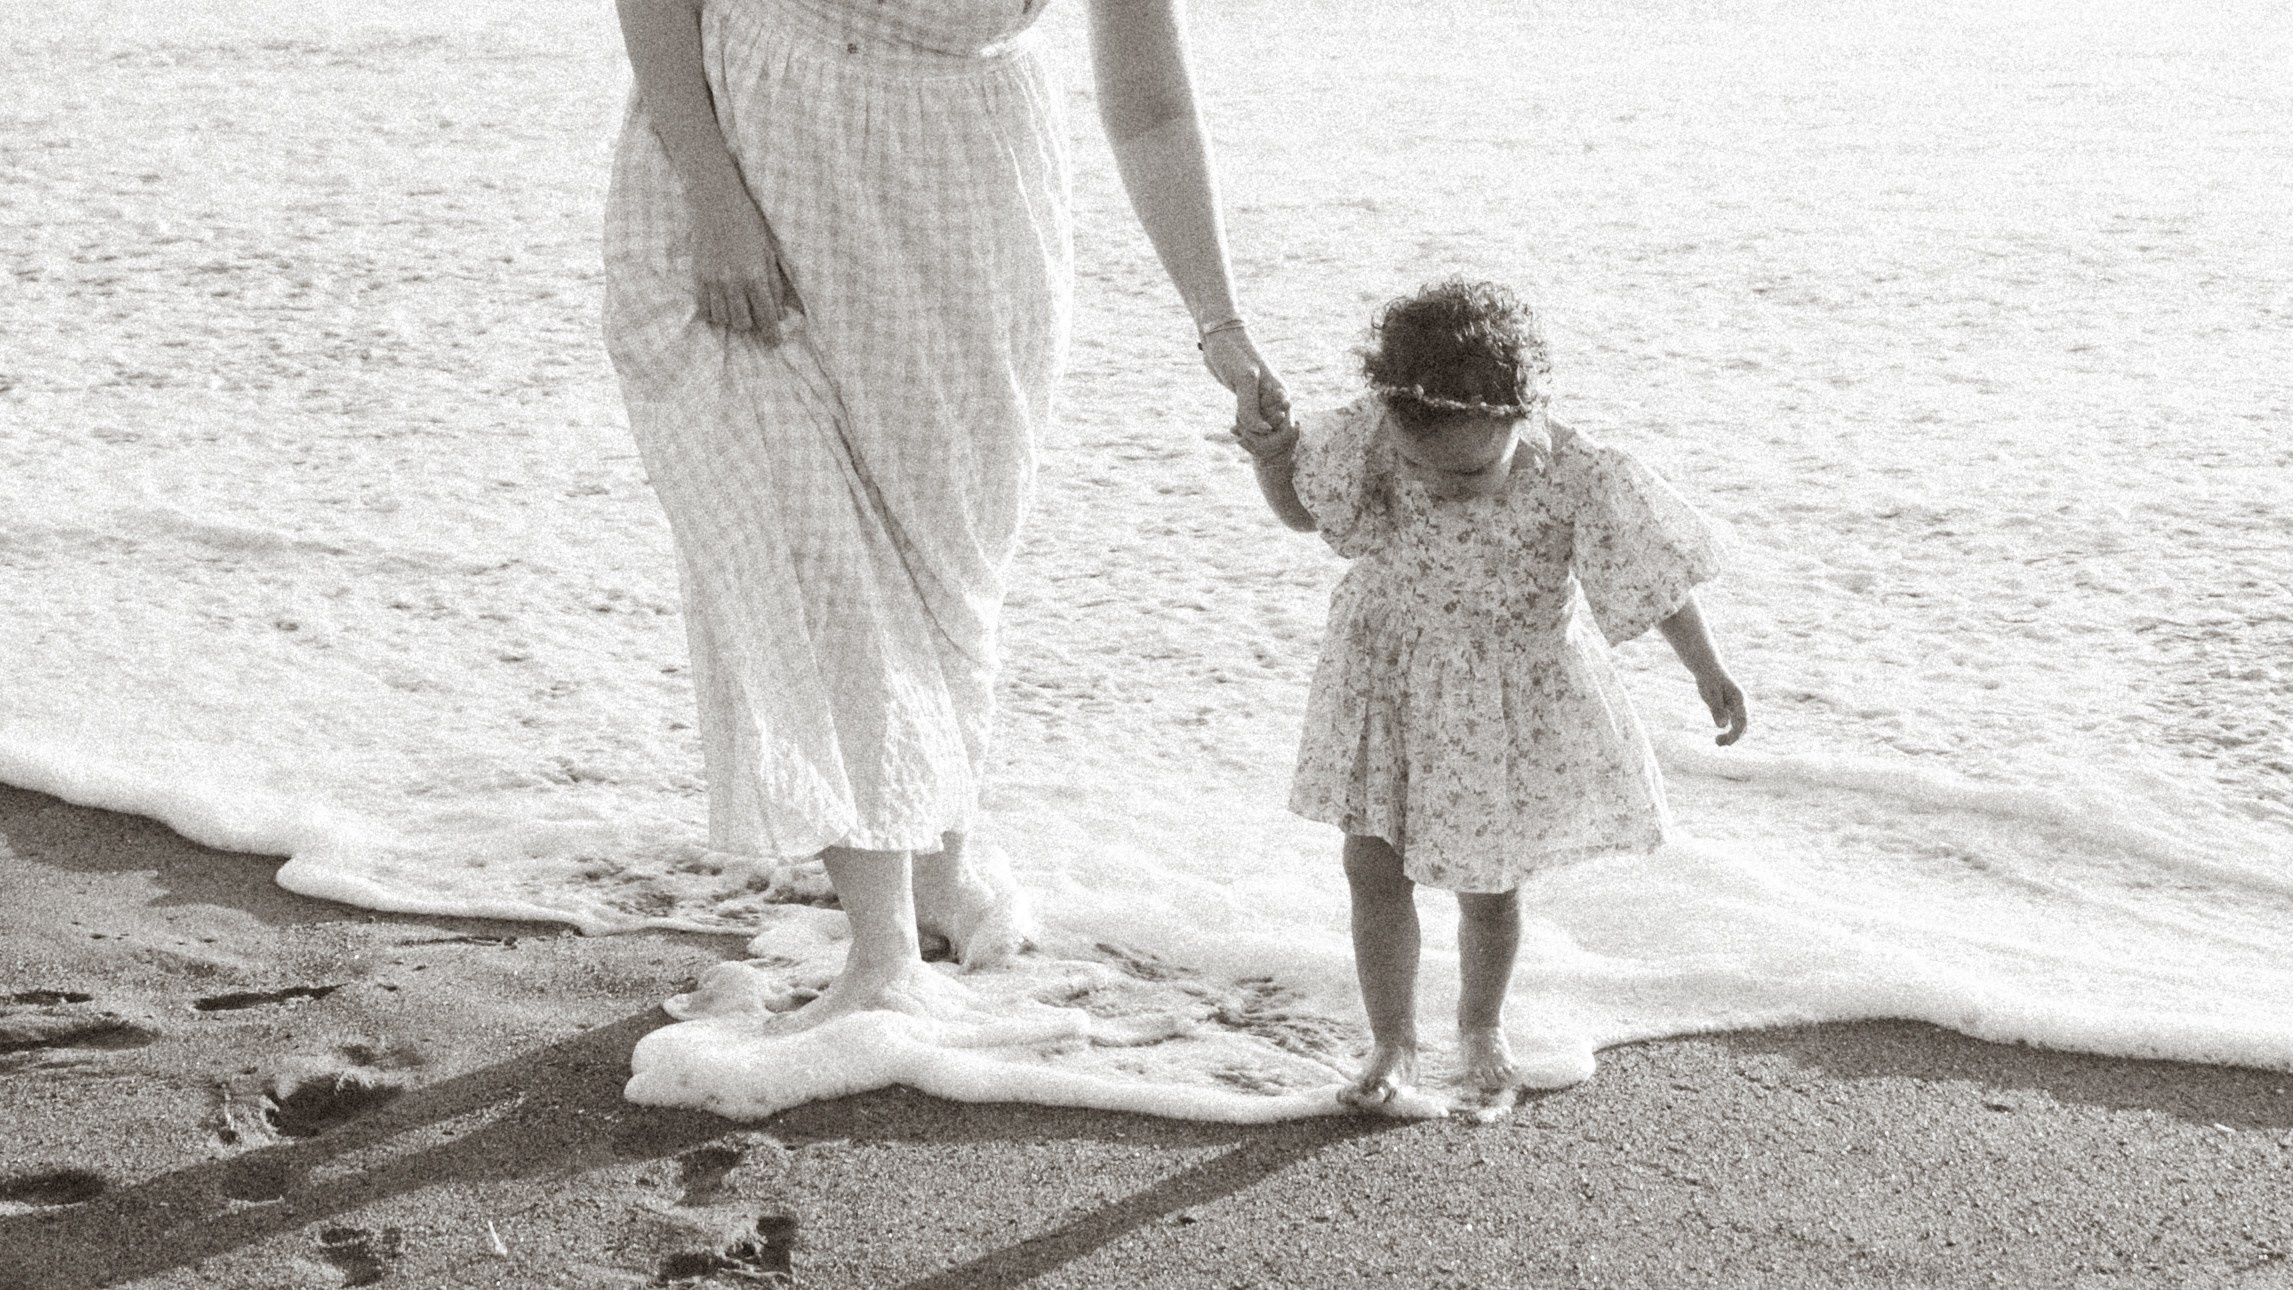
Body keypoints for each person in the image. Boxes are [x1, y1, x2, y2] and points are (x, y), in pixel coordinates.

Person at [601, 0, 1289, 1032]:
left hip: (965, 180)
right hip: (744, 153)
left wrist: (1218, 326)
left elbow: (1149, 109)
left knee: (947, 563)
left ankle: (937, 870)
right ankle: (879, 956)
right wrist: (713, 193)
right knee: (799, 531)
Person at [1232, 279, 1748, 1111]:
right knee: (1370, 862)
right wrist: (1269, 457)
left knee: (1489, 879)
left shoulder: (1582, 475)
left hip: (1502, 703)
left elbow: (1653, 581)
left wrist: (1706, 669)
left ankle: (1481, 1025)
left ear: (1522, 417)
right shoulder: (1372, 433)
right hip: (1384, 676)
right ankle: (1391, 1039)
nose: (1440, 486)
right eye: (1416, 466)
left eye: (1471, 470)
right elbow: (1306, 514)